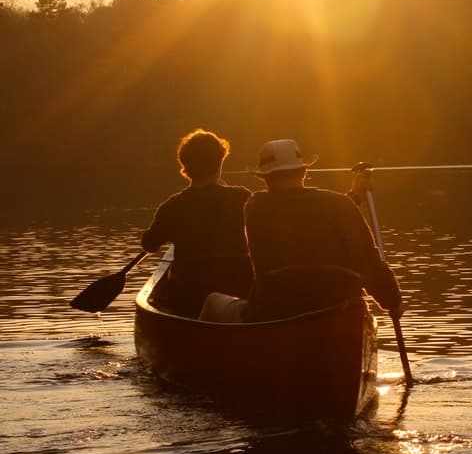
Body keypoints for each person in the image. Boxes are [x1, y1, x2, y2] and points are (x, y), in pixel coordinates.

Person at [200, 139, 402, 322]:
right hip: (336, 309)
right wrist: (392, 302)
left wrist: (353, 198)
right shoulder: (341, 206)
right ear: (304, 171)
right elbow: (369, 261)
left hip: (274, 312)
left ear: (264, 178)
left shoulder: (255, 207)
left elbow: (299, 217)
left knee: (212, 301)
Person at [141, 128, 253, 316]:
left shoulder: (172, 206)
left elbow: (149, 244)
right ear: (220, 162)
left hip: (190, 295)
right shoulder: (243, 197)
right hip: (238, 289)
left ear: (185, 167)